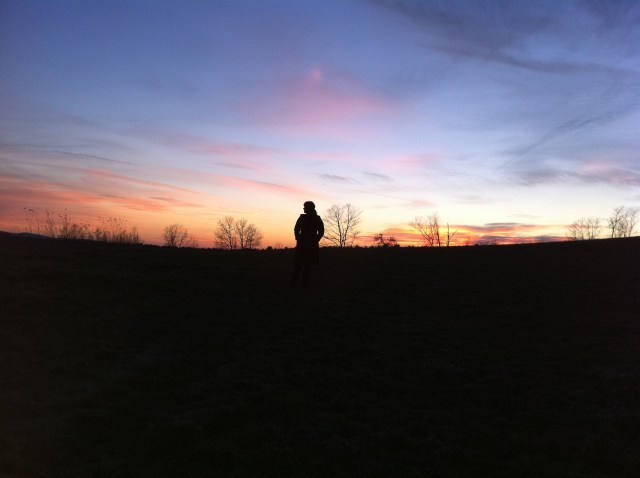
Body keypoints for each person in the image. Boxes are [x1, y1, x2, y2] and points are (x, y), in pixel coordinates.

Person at [291, 201, 324, 287]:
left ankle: (296, 283)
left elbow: (296, 229)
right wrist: (316, 239)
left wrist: (299, 238)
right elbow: (321, 231)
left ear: (308, 208)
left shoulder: (304, 218)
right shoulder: (315, 218)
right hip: (309, 244)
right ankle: (301, 283)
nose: (303, 208)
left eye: (305, 207)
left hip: (305, 244)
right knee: (305, 265)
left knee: (301, 265)